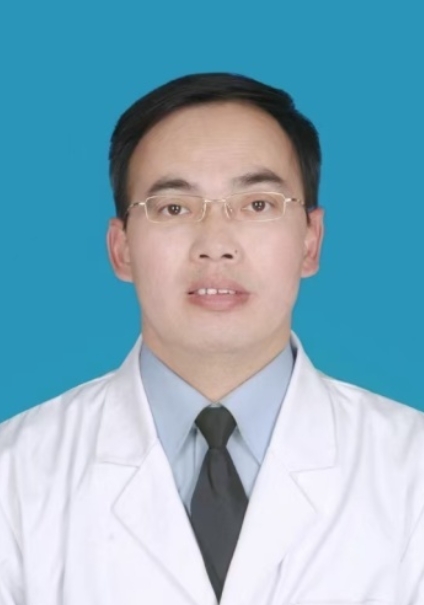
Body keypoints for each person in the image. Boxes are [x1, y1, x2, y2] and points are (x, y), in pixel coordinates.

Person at [0, 73, 423, 605]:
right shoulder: (14, 476)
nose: (216, 245)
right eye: (174, 208)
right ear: (121, 249)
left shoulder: (412, 470)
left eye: (258, 204)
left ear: (311, 242)